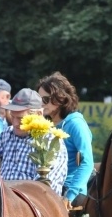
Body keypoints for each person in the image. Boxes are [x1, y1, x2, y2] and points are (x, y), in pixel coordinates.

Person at [0, 88, 67, 195]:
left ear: (38, 114)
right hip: (3, 196)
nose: (15, 123)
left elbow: (45, 186)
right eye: (12, 116)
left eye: (21, 119)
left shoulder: (50, 139)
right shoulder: (7, 133)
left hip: (32, 199)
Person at [37, 72, 94, 207]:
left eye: (46, 99)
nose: (41, 103)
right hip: (46, 187)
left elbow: (87, 162)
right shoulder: (44, 122)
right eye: (39, 99)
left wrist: (70, 196)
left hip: (69, 189)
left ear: (61, 99)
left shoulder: (76, 124)